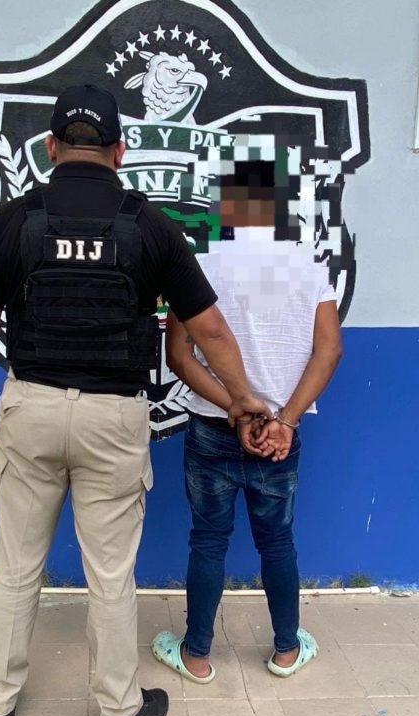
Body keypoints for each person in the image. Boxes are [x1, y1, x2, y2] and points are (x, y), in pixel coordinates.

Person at [0, 85, 270, 716]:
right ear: (119, 151)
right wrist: (243, 398)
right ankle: (117, 713)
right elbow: (209, 329)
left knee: (16, 567)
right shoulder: (151, 226)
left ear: (51, 148)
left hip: (30, 410)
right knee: (111, 575)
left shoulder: (7, 223)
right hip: (114, 420)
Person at [152, 150, 343, 684]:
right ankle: (286, 650)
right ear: (279, 205)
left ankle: (196, 654)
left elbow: (179, 357)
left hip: (213, 428)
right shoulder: (309, 266)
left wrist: (234, 410)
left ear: (225, 206)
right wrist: (287, 419)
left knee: (208, 539)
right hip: (281, 433)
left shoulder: (202, 265)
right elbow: (329, 350)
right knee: (277, 541)